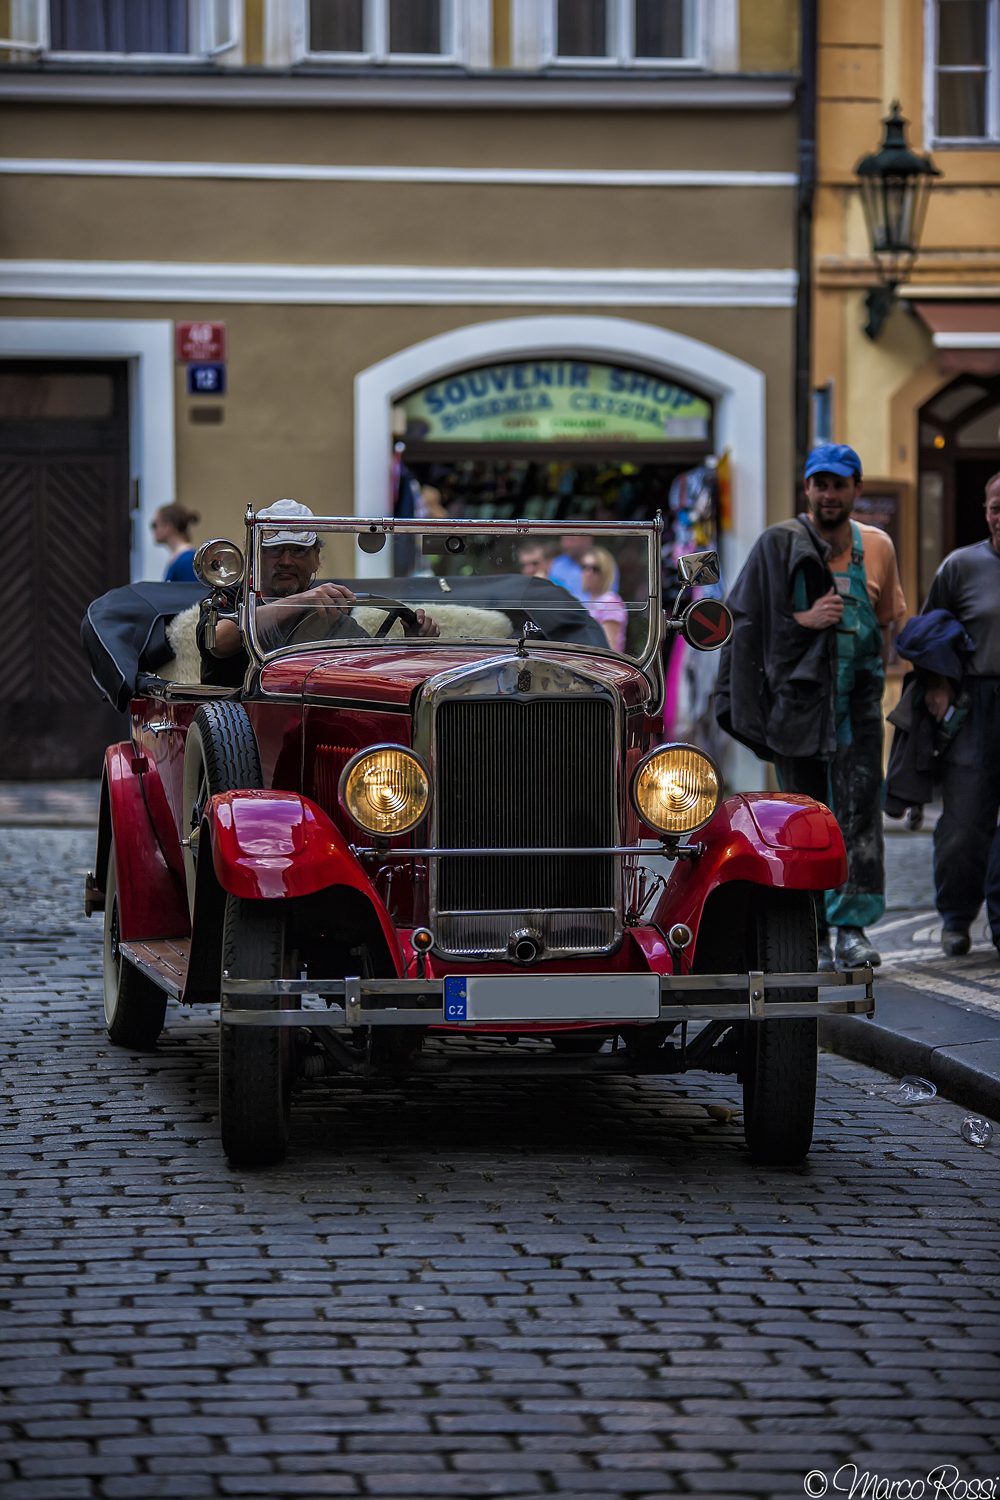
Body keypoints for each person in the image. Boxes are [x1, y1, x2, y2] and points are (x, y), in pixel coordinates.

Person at [716, 444, 907, 971]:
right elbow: (744, 624)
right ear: (807, 489)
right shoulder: (778, 545)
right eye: (820, 484)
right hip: (798, 708)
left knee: (859, 814)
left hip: (858, 707)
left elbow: (891, 621)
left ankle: (852, 930)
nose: (829, 494)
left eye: (839, 485)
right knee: (803, 822)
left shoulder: (879, 547)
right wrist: (802, 623)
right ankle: (812, 932)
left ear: (856, 490)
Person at [198, 499, 438, 687]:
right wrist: (303, 601)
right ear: (255, 558)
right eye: (275, 550)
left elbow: (373, 672)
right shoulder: (230, 598)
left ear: (316, 560)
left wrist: (414, 645)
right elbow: (219, 642)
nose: (286, 561)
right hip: (233, 732)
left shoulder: (331, 618)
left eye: (299, 551)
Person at [920, 471, 1000, 957]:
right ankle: (956, 917)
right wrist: (937, 686)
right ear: (987, 509)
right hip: (976, 700)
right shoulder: (960, 566)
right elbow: (930, 632)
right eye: (996, 507)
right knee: (966, 820)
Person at [580, 546, 628, 653]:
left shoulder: (611, 602)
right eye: (584, 567)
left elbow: (610, 648)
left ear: (605, 572)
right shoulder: (587, 600)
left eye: (595, 568)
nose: (588, 572)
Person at [152, 503, 200, 581]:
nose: (153, 530)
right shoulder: (181, 558)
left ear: (168, 527)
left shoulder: (186, 560)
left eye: (154, 525)